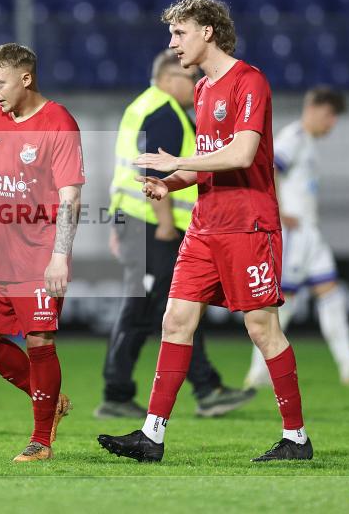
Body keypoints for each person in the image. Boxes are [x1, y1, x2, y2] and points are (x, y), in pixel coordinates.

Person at [97, 0, 312, 463]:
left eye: (179, 33)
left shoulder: (249, 81)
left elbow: (240, 155)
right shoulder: (202, 90)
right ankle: (152, 436)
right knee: (175, 320)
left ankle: (296, 438)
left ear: (208, 32)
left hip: (247, 224)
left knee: (261, 328)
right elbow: (207, 165)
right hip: (204, 225)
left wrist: (177, 161)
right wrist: (169, 183)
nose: (172, 44)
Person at [96, 49, 255, 420]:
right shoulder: (165, 111)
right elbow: (152, 170)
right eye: (190, 76)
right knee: (155, 308)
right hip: (153, 226)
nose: (196, 83)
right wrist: (164, 222)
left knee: (170, 306)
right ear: (169, 79)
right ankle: (129, 392)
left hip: (137, 222)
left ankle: (200, 387)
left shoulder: (143, 106)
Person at [0, 43, 84, 462]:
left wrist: (60, 255)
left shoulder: (59, 122)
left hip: (40, 255)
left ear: (25, 79)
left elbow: (71, 197)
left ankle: (41, 440)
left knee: (39, 341)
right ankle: (48, 398)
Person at [244, 87, 349, 388]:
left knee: (331, 295)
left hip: (311, 233)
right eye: (331, 116)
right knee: (284, 302)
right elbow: (268, 170)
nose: (332, 124)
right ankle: (258, 372)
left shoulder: (306, 141)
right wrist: (278, 212)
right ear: (317, 109)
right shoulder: (293, 137)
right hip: (294, 234)